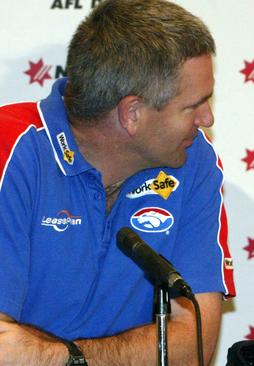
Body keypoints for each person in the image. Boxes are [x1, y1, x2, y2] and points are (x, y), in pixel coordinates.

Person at [0, 0, 236, 364]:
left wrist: (62, 357)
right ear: (132, 113)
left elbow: (193, 346)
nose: (207, 118)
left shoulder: (194, 160)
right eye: (193, 106)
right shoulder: (10, 149)